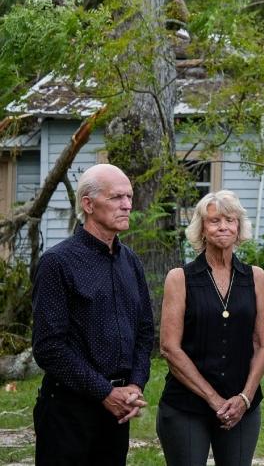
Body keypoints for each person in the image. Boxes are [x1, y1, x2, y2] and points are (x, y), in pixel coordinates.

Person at [31, 163, 154, 465]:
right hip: (68, 411)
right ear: (88, 204)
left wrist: (135, 386)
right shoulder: (57, 263)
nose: (127, 205)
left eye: (129, 196)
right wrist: (104, 393)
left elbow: (144, 331)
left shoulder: (131, 262)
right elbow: (49, 347)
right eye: (116, 198)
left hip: (118, 412)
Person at [157, 190, 264, 465]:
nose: (223, 227)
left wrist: (244, 398)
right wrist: (214, 399)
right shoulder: (179, 278)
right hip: (187, 405)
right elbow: (169, 348)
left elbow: (263, 344)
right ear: (202, 229)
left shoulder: (255, 277)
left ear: (239, 227)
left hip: (242, 407)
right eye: (214, 221)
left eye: (230, 220)